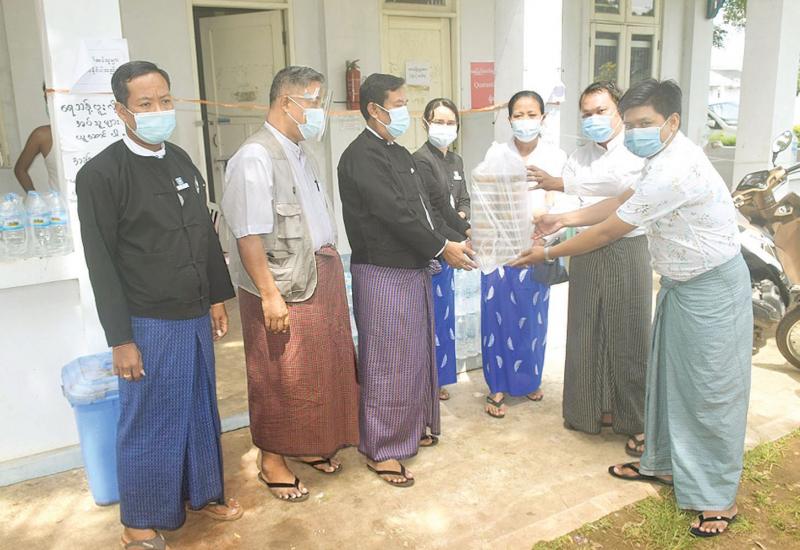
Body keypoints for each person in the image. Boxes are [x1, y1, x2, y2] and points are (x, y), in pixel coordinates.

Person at [512, 79, 750, 538]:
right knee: (668, 382)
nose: (636, 132)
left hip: (711, 289)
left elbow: (610, 230)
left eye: (646, 123)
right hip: (681, 286)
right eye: (633, 122)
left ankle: (717, 496)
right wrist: (562, 218)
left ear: (672, 122)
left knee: (709, 392)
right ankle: (662, 464)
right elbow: (620, 200)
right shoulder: (658, 157)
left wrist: (547, 251)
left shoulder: (674, 170)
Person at [76, 61, 243, 550]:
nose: (158, 110)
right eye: (145, 104)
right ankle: (140, 522)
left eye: (165, 100)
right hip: (148, 320)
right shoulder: (100, 175)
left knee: (199, 407)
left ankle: (202, 492)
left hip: (193, 310)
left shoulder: (181, 160)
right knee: (151, 419)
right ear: (121, 111)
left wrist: (216, 298)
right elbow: (101, 264)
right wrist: (120, 339)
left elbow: (204, 234)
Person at [221, 66, 359, 502]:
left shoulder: (299, 151)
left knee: (317, 372)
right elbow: (247, 234)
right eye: (314, 102)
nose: (320, 112)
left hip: (316, 274)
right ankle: (272, 459)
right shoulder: (255, 157)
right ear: (286, 102)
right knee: (279, 374)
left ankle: (308, 443)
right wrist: (269, 294)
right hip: (281, 285)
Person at [337, 73, 477, 487]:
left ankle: (410, 428)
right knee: (387, 362)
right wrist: (442, 247)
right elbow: (395, 214)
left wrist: (462, 233)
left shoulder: (399, 154)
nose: (405, 111)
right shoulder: (360, 157)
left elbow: (429, 207)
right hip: (382, 272)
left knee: (414, 356)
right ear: (374, 109)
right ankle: (382, 449)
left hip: (411, 268)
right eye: (398, 104)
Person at [529, 81, 650, 456]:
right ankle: (587, 412)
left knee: (627, 334)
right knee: (585, 330)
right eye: (586, 114)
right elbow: (567, 207)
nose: (593, 119)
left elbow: (620, 200)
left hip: (626, 248)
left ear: (619, 112)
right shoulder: (578, 157)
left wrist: (561, 206)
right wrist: (547, 232)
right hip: (583, 249)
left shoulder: (638, 152)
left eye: (601, 111)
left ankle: (636, 421)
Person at [481, 90, 568, 419]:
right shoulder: (496, 154)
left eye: (532, 114)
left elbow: (564, 201)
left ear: (543, 118)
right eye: (519, 114)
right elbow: (484, 198)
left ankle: (529, 379)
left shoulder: (556, 156)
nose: (525, 121)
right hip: (499, 248)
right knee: (496, 316)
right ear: (509, 119)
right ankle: (497, 385)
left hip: (536, 245)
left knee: (532, 316)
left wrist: (548, 229)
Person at [413, 97, 471, 401]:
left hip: (455, 241)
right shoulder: (420, 160)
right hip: (435, 248)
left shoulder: (457, 161)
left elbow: (464, 200)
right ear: (425, 123)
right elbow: (432, 211)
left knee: (445, 316)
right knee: (431, 317)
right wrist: (456, 234)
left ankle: (441, 377)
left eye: (450, 123)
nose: (445, 128)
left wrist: (462, 219)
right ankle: (428, 379)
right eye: (439, 122)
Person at [14, 85, 58, 192]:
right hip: (61, 202)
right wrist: (34, 197)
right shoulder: (42, 135)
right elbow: (20, 170)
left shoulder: (94, 130)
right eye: (46, 99)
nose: (49, 104)